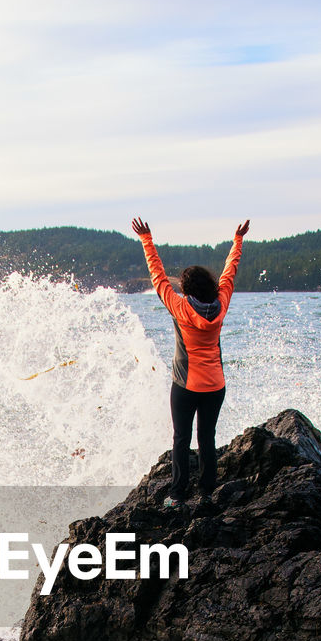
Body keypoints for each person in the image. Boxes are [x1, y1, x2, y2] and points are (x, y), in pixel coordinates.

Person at [132, 215, 250, 506]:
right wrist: (238, 241)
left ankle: (177, 494)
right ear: (209, 285)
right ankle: (208, 493)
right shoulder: (221, 302)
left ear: (186, 290)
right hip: (215, 385)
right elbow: (229, 273)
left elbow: (158, 278)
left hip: (185, 386)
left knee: (181, 439)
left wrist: (147, 240)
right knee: (206, 439)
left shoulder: (180, 307)